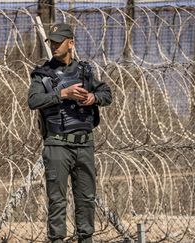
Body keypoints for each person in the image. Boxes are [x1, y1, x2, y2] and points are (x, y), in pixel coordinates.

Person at [27, 23, 112, 243]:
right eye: (52, 42)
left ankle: (86, 238)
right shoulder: (42, 74)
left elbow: (106, 92)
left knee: (86, 198)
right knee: (57, 200)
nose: (54, 45)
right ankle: (57, 239)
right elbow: (33, 100)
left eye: (59, 41)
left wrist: (93, 98)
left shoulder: (85, 70)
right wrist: (63, 93)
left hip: (84, 144)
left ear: (71, 43)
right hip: (57, 144)